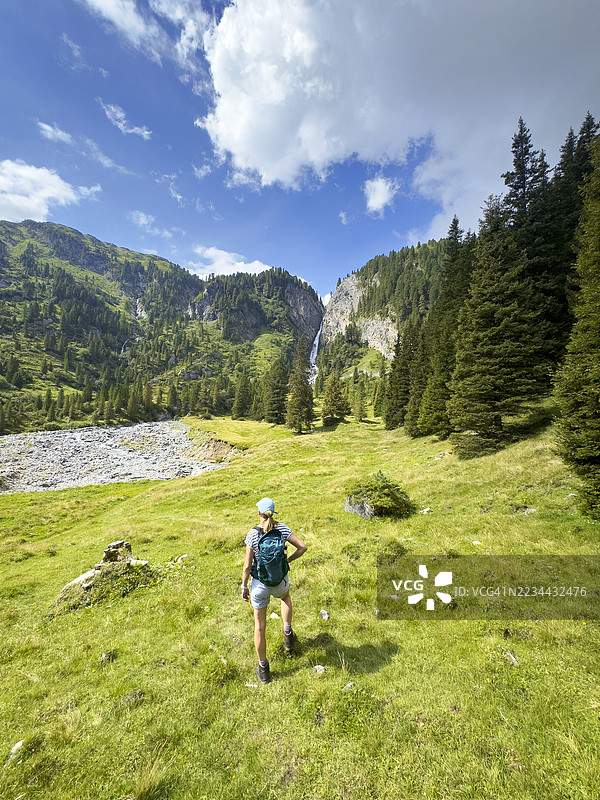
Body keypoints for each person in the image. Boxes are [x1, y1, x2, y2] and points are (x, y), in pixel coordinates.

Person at [241, 497, 307, 684]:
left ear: (259, 513)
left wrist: (244, 586)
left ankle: (263, 669)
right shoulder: (282, 529)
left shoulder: (252, 534)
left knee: (260, 627)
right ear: (273, 513)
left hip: (260, 585)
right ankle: (288, 634)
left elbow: (247, 566)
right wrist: (289, 560)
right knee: (285, 596)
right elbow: (303, 547)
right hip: (279, 581)